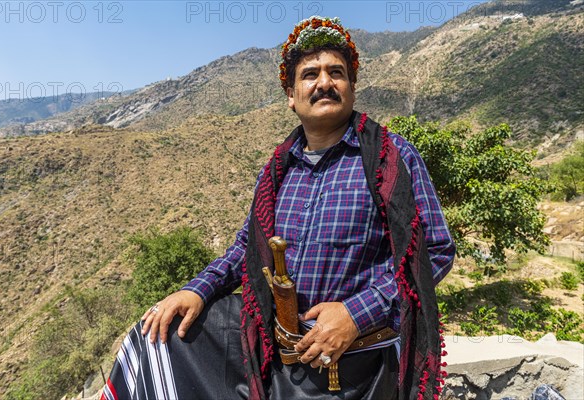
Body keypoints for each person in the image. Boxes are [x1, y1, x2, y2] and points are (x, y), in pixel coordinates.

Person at [101, 16, 455, 400]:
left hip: (355, 365)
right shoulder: (278, 170)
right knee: (160, 334)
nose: (323, 83)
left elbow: (434, 252)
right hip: (276, 351)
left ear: (352, 87)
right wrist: (196, 291)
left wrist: (356, 314)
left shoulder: (391, 158)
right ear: (291, 94)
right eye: (310, 74)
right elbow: (246, 250)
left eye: (336, 73)